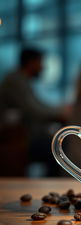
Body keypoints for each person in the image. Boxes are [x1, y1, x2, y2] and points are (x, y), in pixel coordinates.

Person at [0, 48, 67, 176]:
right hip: (15, 141)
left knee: (57, 144)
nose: (43, 67)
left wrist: (60, 110)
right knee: (58, 148)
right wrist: (60, 112)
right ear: (31, 62)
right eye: (40, 62)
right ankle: (53, 186)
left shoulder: (21, 79)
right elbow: (33, 110)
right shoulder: (15, 80)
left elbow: (37, 105)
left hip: (22, 137)